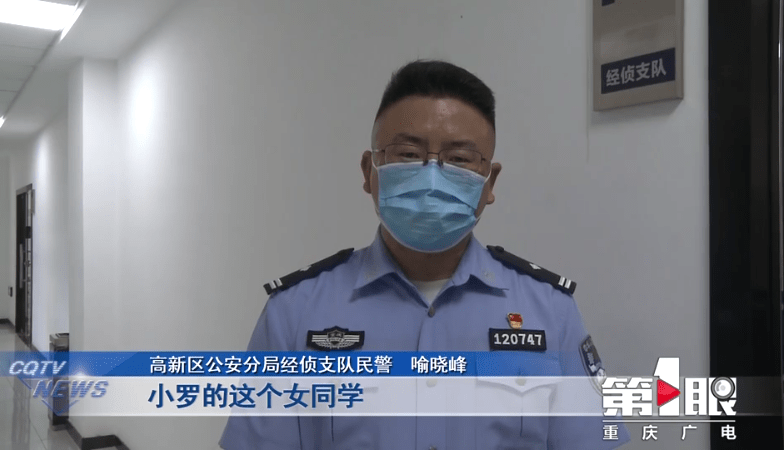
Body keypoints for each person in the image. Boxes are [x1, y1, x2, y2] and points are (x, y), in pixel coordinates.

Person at [220, 59, 629, 449]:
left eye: (459, 159)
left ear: (489, 183)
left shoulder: (552, 313)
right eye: (408, 154)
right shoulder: (293, 315)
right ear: (369, 172)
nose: (432, 177)